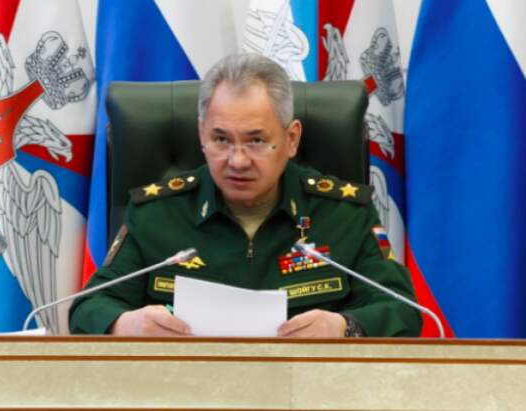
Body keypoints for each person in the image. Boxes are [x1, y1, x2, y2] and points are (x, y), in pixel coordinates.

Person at [69, 53, 422, 337]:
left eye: (256, 140)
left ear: (291, 139)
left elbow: (403, 310)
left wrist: (345, 327)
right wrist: (126, 324)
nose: (237, 160)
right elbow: (88, 308)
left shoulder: (344, 213)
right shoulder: (157, 213)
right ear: (201, 135)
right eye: (221, 139)